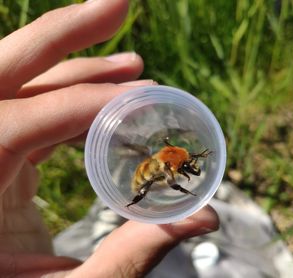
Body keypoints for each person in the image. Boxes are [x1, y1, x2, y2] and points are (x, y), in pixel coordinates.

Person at [0, 0, 219, 276]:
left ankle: (111, 221)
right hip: (146, 173)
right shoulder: (167, 163)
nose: (189, 167)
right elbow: (169, 166)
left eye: (188, 164)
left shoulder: (175, 156)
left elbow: (178, 158)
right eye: (187, 165)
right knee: (149, 183)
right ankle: (126, 209)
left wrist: (195, 160)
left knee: (165, 178)